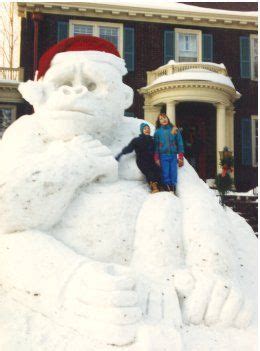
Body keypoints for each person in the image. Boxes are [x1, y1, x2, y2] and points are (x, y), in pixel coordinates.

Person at [116, 122, 161, 193]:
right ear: (141, 130)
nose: (147, 130)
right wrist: (121, 154)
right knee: (149, 172)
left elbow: (158, 149)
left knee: (158, 170)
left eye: (148, 128)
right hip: (142, 160)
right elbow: (129, 148)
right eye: (145, 128)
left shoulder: (153, 140)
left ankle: (161, 186)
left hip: (152, 160)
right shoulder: (137, 140)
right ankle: (153, 187)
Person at [154, 113, 184, 193]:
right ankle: (168, 189)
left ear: (168, 118)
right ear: (159, 122)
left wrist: (180, 157)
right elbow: (156, 146)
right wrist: (156, 158)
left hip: (173, 155)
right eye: (161, 119)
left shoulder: (174, 129)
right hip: (163, 156)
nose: (163, 120)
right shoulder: (157, 132)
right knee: (165, 173)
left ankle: (173, 188)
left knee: (173, 172)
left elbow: (180, 143)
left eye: (165, 118)